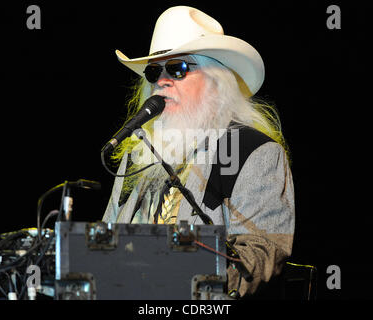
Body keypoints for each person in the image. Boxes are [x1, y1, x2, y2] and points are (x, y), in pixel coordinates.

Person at [102, 6, 295, 297]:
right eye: (154, 71)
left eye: (178, 68)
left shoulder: (255, 153)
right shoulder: (136, 154)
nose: (162, 80)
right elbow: (104, 243)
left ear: (216, 82)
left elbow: (262, 253)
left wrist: (179, 279)